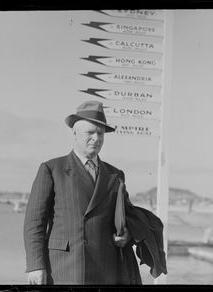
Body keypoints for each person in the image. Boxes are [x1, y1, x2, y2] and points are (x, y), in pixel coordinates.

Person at [24, 100, 134, 285]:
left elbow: (127, 216)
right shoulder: (52, 169)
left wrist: (126, 235)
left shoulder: (115, 175)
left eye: (100, 133)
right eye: (90, 132)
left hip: (105, 267)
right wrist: (36, 266)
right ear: (74, 133)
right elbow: (34, 223)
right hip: (63, 267)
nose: (96, 138)